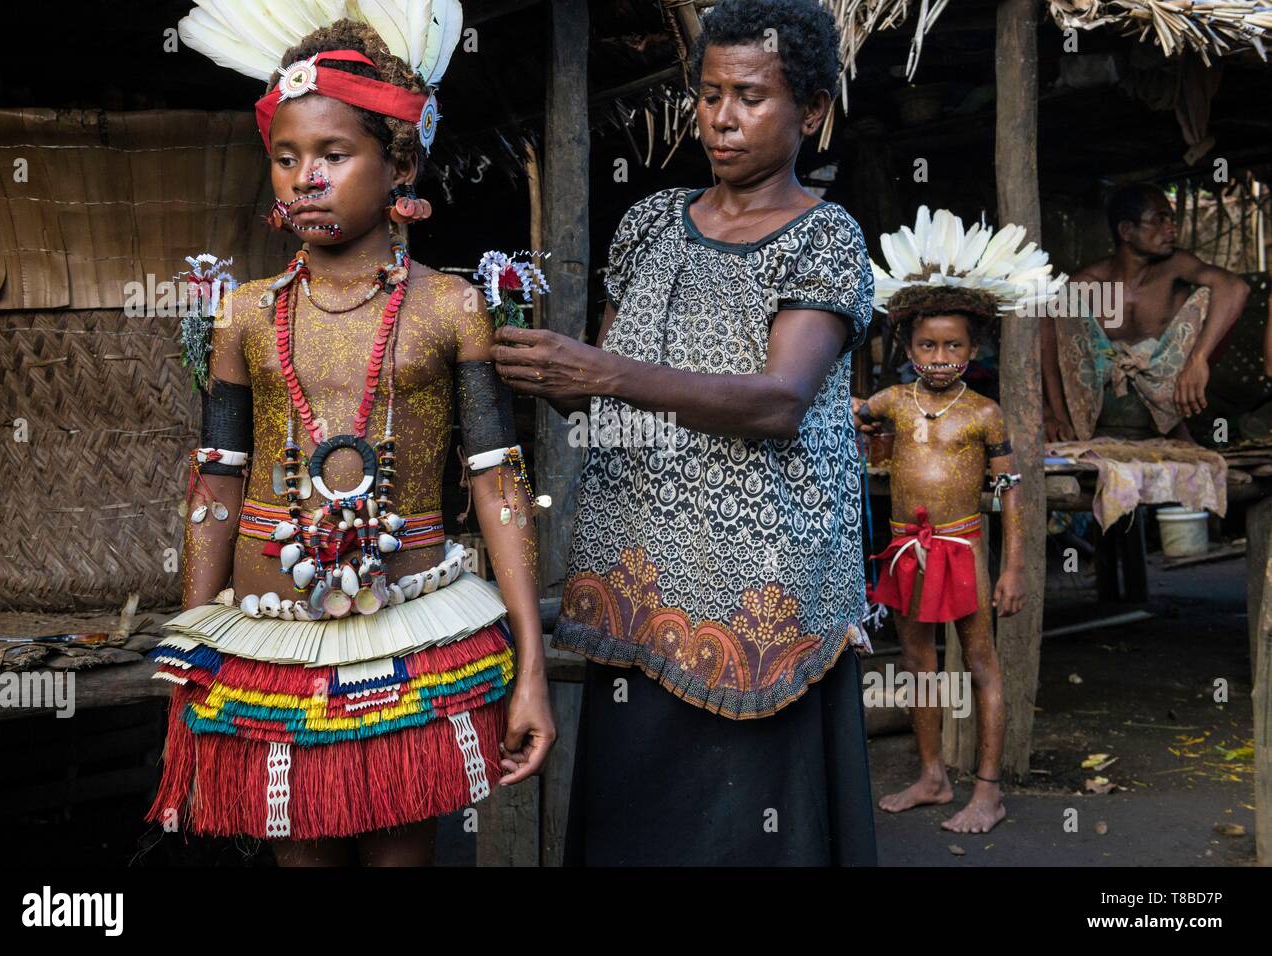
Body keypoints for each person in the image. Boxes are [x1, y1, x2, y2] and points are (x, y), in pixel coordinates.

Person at [145, 3, 554, 867]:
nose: (305, 179)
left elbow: (496, 483)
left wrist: (532, 665)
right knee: (299, 859)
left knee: (402, 859)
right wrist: (192, 645)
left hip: (413, 627)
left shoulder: (450, 308)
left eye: (334, 156)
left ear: (399, 161)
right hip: (268, 630)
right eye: (287, 159)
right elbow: (215, 484)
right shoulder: (245, 315)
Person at [493, 0, 876, 865]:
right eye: (709, 96)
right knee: (642, 813)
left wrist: (604, 375)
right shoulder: (650, 222)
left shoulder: (826, 237)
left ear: (810, 111)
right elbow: (610, 395)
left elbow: (780, 401)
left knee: (749, 828)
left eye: (751, 96)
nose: (723, 119)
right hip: (642, 571)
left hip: (759, 589)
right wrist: (534, 368)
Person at [853, 284, 1025, 835]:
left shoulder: (985, 415)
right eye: (928, 346)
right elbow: (850, 408)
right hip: (907, 547)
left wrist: (1013, 566)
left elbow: (1009, 492)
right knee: (917, 662)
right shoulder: (895, 403)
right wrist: (856, 418)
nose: (941, 358)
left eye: (954, 347)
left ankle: (988, 792)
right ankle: (932, 777)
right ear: (908, 349)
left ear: (972, 351)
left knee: (981, 663)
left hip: (963, 547)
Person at [1042, 183, 1250, 442]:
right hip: (1100, 404)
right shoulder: (1090, 283)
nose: (1172, 228)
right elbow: (1044, 334)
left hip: (1168, 402)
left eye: (1171, 219)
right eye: (1160, 220)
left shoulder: (1176, 267)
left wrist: (1198, 360)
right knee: (1052, 311)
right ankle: (1072, 424)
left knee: (1212, 295)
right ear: (1126, 230)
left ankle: (1175, 429)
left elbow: (1235, 287)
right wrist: (1053, 414)